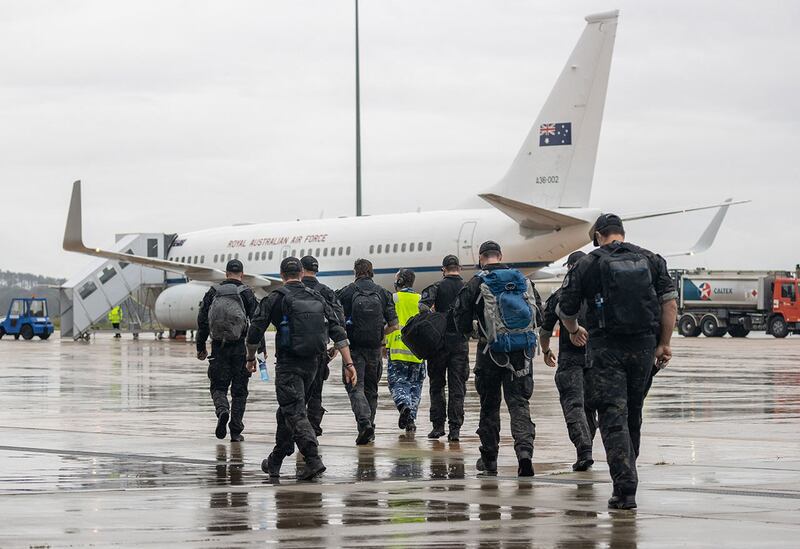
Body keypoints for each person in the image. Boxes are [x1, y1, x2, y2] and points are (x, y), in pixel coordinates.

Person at [557, 214, 678, 510]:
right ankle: (629, 470)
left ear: (598, 235)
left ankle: (624, 488)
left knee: (613, 415)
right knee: (633, 411)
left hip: (606, 349)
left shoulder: (588, 263)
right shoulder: (651, 259)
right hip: (643, 348)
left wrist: (573, 331)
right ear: (622, 233)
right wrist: (664, 343)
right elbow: (670, 304)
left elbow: (566, 307)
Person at [246, 257, 356, 480]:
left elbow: (254, 332)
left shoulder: (275, 298)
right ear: (301, 273)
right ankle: (275, 460)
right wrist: (349, 363)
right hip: (315, 364)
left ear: (282, 274)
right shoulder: (316, 296)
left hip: (290, 364)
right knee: (286, 411)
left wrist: (250, 358)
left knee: (294, 411)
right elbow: (338, 330)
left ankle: (313, 459)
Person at [452, 241, 541, 477]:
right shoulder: (522, 280)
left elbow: (459, 315)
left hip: (489, 352)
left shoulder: (478, 281)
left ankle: (489, 460)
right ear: (500, 256)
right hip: (521, 353)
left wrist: (471, 331)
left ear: (482, 258)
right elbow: (538, 314)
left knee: (489, 406)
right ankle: (524, 453)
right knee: (519, 404)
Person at [540, 250, 597, 471]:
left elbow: (545, 331)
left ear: (569, 268)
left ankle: (584, 449)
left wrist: (546, 352)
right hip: (596, 360)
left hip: (570, 360)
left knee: (574, 405)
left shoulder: (560, 295)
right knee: (590, 407)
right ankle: (587, 447)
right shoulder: (598, 293)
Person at [336, 259, 399, 445]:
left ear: (355, 272)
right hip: (374, 349)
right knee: (371, 390)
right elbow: (394, 325)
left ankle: (364, 424)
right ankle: (369, 425)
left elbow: (338, 321)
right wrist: (381, 333)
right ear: (372, 272)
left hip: (354, 348)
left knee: (355, 387)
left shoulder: (347, 292)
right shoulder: (383, 293)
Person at [196, 259, 259, 443]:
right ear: (242, 273)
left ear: (225, 274)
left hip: (218, 347)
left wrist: (201, 347)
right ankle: (235, 431)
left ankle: (222, 409)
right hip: (240, 348)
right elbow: (256, 322)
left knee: (218, 387)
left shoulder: (213, 292)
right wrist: (258, 350)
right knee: (240, 392)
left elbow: (202, 321)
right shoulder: (246, 292)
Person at [419, 254, 469, 441]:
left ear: (443, 269)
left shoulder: (437, 287)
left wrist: (436, 318)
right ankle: (455, 429)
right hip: (460, 344)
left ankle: (438, 426)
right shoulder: (468, 288)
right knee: (457, 387)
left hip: (439, 344)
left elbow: (422, 307)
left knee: (437, 386)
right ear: (460, 268)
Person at [300, 255, 346, 437]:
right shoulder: (325, 291)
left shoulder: (291, 290)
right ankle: (313, 428)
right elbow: (339, 320)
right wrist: (335, 347)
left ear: (301, 270)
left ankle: (298, 428)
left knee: (296, 393)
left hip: (294, 351)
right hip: (319, 350)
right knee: (316, 392)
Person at [386, 269, 426, 433]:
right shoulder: (420, 301)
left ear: (399, 281)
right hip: (418, 352)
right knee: (415, 387)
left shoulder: (393, 299)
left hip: (397, 351)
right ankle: (410, 421)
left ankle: (403, 405)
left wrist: (383, 343)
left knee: (397, 383)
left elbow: (387, 322)